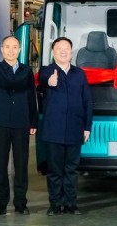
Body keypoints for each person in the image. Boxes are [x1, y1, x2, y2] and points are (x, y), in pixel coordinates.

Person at [0, 35, 38, 215]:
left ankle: (21, 203)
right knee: (1, 164)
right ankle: (1, 203)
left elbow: (31, 96)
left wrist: (33, 121)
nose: (11, 50)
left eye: (15, 47)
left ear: (19, 50)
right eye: (7, 46)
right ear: (2, 49)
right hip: (0, 122)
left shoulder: (26, 70)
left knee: (21, 164)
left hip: (21, 122)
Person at [39, 37, 93, 216]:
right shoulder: (46, 71)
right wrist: (50, 82)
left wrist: (87, 127)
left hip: (75, 129)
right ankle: (55, 204)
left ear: (71, 52)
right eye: (59, 48)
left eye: (66, 48)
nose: (63, 51)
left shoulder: (79, 74)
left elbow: (87, 101)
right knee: (54, 171)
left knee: (71, 170)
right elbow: (43, 80)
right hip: (53, 130)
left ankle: (71, 203)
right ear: (53, 52)